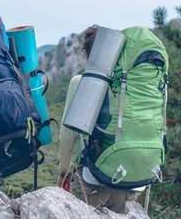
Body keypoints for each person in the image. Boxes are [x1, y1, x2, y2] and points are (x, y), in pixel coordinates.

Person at [58, 25, 142, 214]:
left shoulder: (80, 82)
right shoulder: (130, 88)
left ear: (88, 53)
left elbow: (68, 135)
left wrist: (64, 171)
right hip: (127, 176)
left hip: (91, 177)